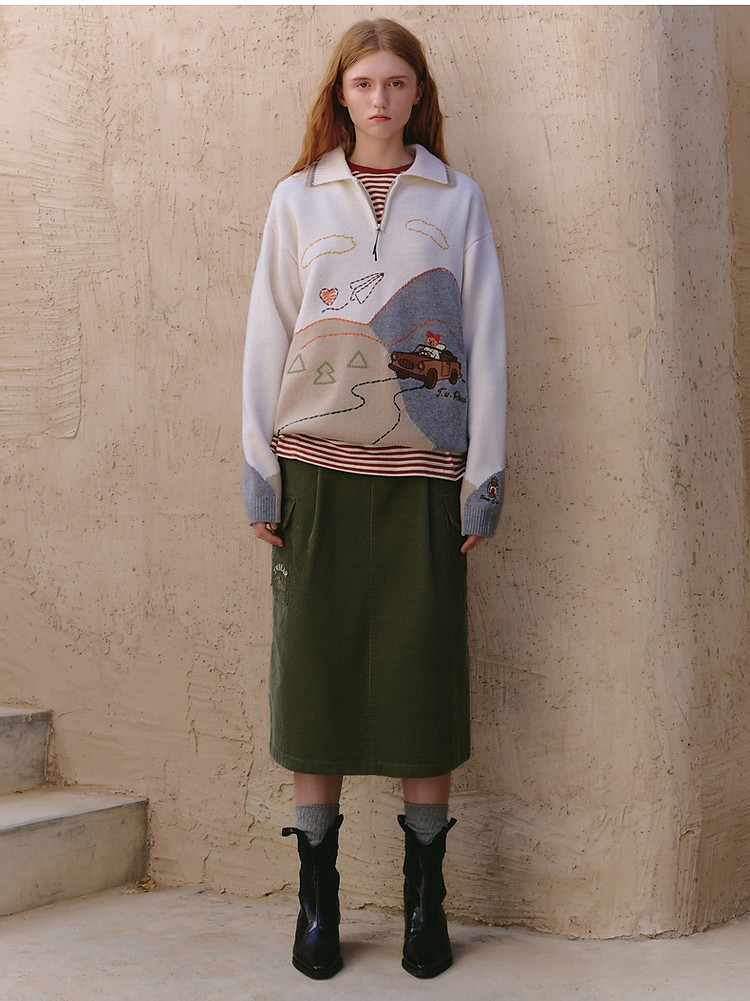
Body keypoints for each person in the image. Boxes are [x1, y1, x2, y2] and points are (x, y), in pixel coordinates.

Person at [242, 17, 506, 980]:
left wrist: (484, 475)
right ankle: (317, 903)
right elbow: (267, 333)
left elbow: (486, 334)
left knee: (421, 682)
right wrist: (258, 466)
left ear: (418, 92)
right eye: (363, 84)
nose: (380, 99)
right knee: (314, 680)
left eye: (396, 83)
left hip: (425, 479)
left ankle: (424, 904)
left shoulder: (457, 199)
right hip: (315, 472)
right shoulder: (297, 199)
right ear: (341, 95)